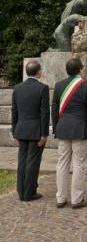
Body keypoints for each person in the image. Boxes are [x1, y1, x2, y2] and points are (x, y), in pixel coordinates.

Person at [52, 57, 87, 209]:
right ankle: (76, 199)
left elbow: (54, 109)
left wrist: (56, 128)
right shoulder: (86, 85)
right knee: (79, 164)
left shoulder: (59, 85)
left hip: (63, 128)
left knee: (62, 163)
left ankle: (60, 197)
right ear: (80, 70)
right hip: (80, 128)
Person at [11, 60, 50, 202]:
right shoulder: (43, 88)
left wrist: (14, 130)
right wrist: (44, 134)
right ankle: (29, 193)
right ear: (38, 71)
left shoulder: (17, 88)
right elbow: (44, 113)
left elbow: (14, 111)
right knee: (33, 162)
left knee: (22, 161)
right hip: (35, 132)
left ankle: (21, 191)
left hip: (21, 130)